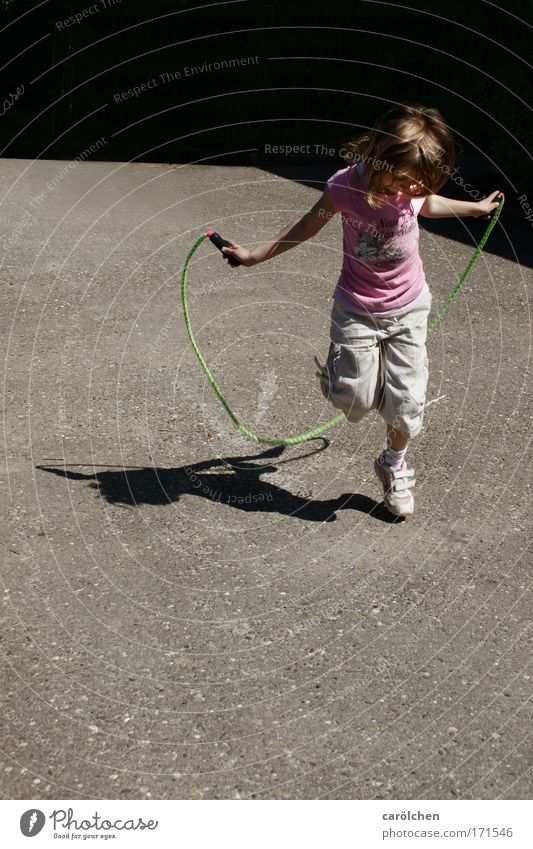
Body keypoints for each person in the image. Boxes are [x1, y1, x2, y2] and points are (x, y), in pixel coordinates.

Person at [219, 103, 501, 518]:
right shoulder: (343, 188)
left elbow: (428, 204)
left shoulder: (412, 190)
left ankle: (394, 464)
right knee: (354, 401)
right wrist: (255, 255)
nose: (411, 189)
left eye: (421, 182)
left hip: (409, 308)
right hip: (356, 309)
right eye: (405, 178)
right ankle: (340, 369)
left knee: (407, 403)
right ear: (382, 155)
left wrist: (473, 208)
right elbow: (305, 225)